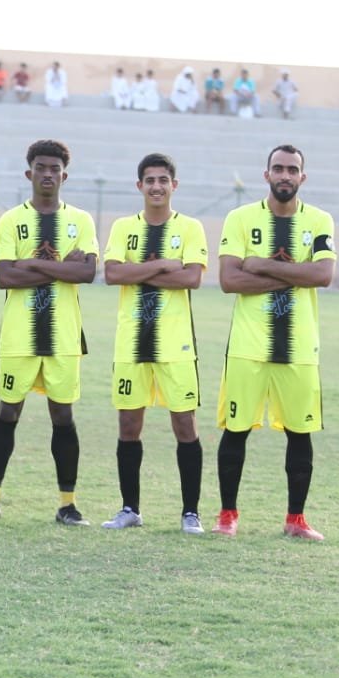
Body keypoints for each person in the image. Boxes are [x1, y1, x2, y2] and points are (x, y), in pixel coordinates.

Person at [0, 139, 98, 524]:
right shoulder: (12, 220)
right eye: (41, 167)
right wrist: (62, 266)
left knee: (63, 414)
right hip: (18, 337)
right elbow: (5, 276)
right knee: (8, 411)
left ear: (64, 176)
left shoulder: (81, 220)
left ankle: (68, 505)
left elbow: (87, 272)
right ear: (29, 173)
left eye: (54, 169)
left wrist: (30, 264)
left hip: (63, 337)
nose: (47, 174)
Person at [213, 144, 334, 541]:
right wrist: (296, 273)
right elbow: (230, 280)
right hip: (247, 348)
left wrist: (260, 265)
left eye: (292, 170)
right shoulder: (240, 218)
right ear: (266, 174)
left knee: (300, 433)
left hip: (299, 349)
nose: (285, 175)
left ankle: (295, 519)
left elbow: (323, 275)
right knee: (236, 430)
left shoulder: (319, 220)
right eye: (278, 168)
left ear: (302, 177)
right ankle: (227, 515)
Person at [101, 153, 208, 533]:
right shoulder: (123, 227)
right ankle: (130, 509)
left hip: (176, 346)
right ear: (140, 185)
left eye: (163, 180)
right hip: (131, 343)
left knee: (185, 425)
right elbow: (112, 274)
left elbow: (192, 278)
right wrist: (164, 265)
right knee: (129, 424)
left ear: (173, 185)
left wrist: (137, 271)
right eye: (150, 180)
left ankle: (190, 513)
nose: (157, 186)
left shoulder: (190, 227)